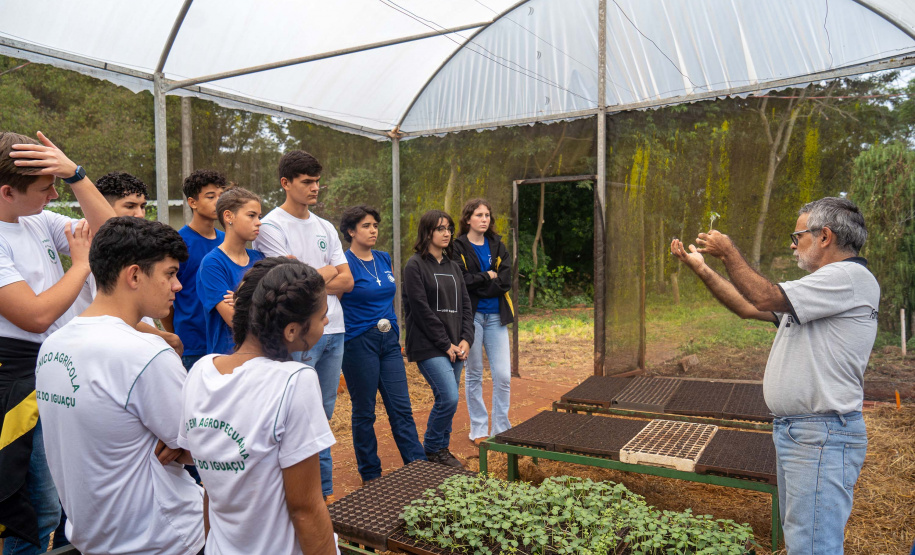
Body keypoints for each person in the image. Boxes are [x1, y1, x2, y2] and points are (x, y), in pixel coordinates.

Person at [671, 197, 877, 554]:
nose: (793, 244)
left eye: (798, 236)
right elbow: (748, 306)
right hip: (804, 432)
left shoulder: (847, 277)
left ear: (824, 236)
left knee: (813, 546)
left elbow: (763, 296)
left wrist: (729, 251)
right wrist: (703, 269)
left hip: (821, 434)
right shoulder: (824, 288)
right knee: (804, 540)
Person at [36, 217, 204, 555]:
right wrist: (186, 442)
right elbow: (201, 446)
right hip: (164, 538)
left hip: (95, 537)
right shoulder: (145, 354)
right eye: (170, 274)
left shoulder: (53, 345)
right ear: (135, 275)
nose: (178, 286)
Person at [0, 131, 115, 555]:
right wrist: (81, 264)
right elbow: (35, 315)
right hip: (15, 377)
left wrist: (75, 175)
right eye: (45, 187)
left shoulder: (32, 219)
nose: (52, 196)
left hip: (49, 368)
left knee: (51, 502)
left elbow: (111, 235)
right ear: (7, 191)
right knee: (32, 508)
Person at [179, 259, 338, 555]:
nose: (326, 322)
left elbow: (211, 492)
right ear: (292, 331)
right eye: (322, 316)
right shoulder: (294, 381)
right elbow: (305, 508)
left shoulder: (200, 372)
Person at [253, 150, 352, 501]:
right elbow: (290, 285)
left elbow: (347, 280)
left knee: (323, 416)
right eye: (307, 182)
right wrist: (323, 274)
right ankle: (296, 496)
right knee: (297, 415)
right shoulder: (270, 226)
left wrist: (310, 275)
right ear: (286, 183)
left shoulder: (325, 226)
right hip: (299, 335)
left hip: (335, 330)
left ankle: (322, 494)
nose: (315, 188)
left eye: (316, 181)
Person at [338, 205, 426, 484]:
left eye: (375, 225)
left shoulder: (384, 257)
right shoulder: (343, 263)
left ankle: (418, 467)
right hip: (358, 341)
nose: (373, 230)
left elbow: (389, 296)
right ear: (351, 231)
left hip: (389, 341)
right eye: (366, 225)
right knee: (364, 411)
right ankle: (371, 476)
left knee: (400, 407)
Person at [402, 210, 474, 468]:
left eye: (449, 229)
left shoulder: (454, 267)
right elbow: (420, 310)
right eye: (440, 228)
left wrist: (466, 339)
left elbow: (466, 306)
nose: (447, 233)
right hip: (428, 345)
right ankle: (433, 447)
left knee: (449, 398)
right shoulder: (414, 265)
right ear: (427, 232)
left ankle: (441, 451)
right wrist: (445, 344)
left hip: (456, 346)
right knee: (449, 397)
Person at [81, 171, 183, 351]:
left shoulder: (134, 246)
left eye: (143, 206)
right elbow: (112, 314)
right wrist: (162, 337)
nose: (140, 214)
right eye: (130, 206)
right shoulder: (101, 252)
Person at [451, 199, 514, 445]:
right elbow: (461, 280)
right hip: (471, 318)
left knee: (503, 375)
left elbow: (506, 280)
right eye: (479, 215)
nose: (484, 219)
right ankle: (478, 429)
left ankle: (502, 429)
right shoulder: (458, 246)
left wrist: (479, 284)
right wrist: (487, 276)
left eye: (487, 214)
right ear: (468, 219)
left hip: (497, 317)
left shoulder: (498, 245)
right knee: (474, 373)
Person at [164, 169, 227, 370]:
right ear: (193, 202)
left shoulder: (227, 241)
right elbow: (165, 295)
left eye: (221, 196)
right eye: (211, 196)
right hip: (193, 346)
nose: (219, 201)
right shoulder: (178, 243)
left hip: (225, 342)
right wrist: (176, 336)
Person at [197, 187, 265, 355]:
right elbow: (235, 321)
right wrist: (260, 301)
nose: (259, 222)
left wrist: (242, 300)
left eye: (259, 216)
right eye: (251, 215)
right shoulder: (212, 264)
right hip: (228, 360)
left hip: (262, 357)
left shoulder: (261, 258)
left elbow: (279, 307)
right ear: (228, 216)